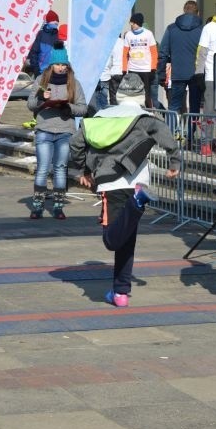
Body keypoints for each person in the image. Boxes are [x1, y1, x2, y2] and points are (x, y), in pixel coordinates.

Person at [69, 73, 181, 307]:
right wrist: (175, 161)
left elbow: (76, 143)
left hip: (111, 184)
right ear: (141, 96)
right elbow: (166, 135)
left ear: (118, 95)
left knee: (111, 240)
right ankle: (120, 292)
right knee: (127, 238)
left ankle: (137, 203)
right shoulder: (145, 118)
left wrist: (80, 171)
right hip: (137, 182)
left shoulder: (100, 116)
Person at [26, 44, 87, 219]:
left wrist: (69, 108)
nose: (61, 67)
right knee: (43, 168)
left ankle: (58, 207)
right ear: (51, 65)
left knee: (60, 168)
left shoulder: (74, 83)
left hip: (65, 131)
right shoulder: (41, 81)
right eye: (58, 64)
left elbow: (82, 108)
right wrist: (40, 98)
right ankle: (37, 206)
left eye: (64, 64)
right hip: (44, 128)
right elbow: (30, 105)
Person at [157, 0, 203, 116]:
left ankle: (170, 132)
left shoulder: (171, 28)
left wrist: (161, 74)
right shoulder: (202, 30)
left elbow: (163, 52)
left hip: (177, 73)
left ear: (184, 11)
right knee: (194, 107)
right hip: (196, 74)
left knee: (174, 106)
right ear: (198, 13)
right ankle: (191, 133)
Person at [122, 12, 159, 109]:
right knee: (133, 94)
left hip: (146, 70)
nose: (131, 26)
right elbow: (125, 54)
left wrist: (153, 68)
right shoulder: (128, 35)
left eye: (132, 23)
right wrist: (124, 69)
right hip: (133, 69)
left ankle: (150, 112)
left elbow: (154, 52)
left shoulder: (148, 34)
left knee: (146, 95)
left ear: (138, 23)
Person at [27, 9, 60, 76]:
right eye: (54, 20)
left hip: (55, 72)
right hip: (41, 71)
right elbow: (34, 52)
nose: (56, 22)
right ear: (48, 21)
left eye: (57, 21)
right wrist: (36, 68)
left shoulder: (58, 36)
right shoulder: (40, 34)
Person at [106, 34, 124, 106]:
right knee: (123, 96)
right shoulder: (124, 42)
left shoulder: (111, 43)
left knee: (113, 97)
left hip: (114, 72)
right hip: (124, 72)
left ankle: (114, 114)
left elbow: (109, 61)